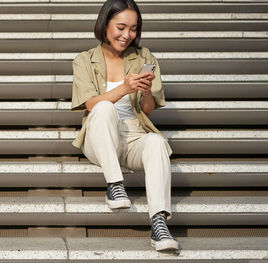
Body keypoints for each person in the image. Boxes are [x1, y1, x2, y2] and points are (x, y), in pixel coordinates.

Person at [70, 0, 179, 252]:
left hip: (134, 134)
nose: (127, 35)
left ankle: (159, 224)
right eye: (121, 27)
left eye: (133, 28)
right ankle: (115, 185)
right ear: (105, 24)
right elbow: (90, 104)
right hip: (100, 136)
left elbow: (148, 110)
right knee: (105, 107)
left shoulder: (144, 57)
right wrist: (124, 89)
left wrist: (146, 91)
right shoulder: (84, 60)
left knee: (156, 142)